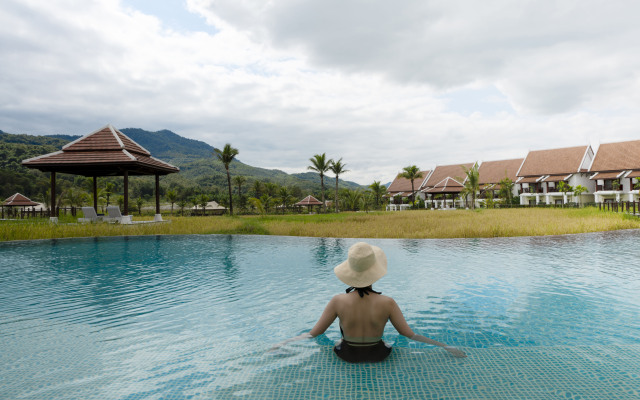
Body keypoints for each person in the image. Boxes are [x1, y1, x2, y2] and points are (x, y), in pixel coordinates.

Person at [273, 242, 466, 362]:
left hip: (346, 355)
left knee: (338, 342)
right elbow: (409, 335)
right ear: (375, 271)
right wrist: (445, 346)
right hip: (380, 354)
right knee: (390, 344)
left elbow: (314, 333)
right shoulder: (388, 302)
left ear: (350, 271)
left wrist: (285, 342)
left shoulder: (337, 301)